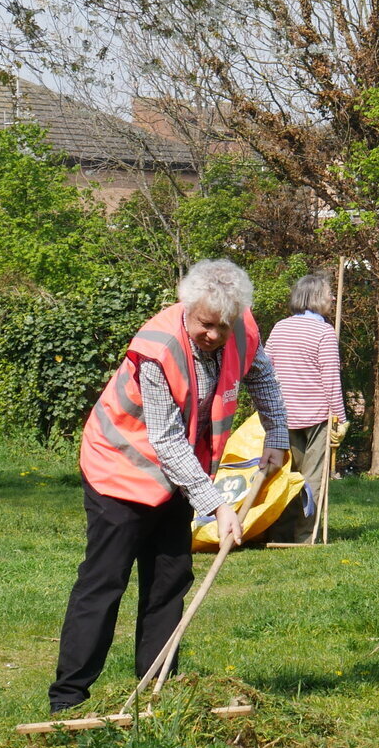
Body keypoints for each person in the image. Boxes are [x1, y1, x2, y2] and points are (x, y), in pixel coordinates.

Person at [48, 259, 290, 713]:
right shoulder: (157, 348)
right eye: (205, 324)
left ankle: (158, 687)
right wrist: (216, 505)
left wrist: (277, 438)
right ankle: (69, 699)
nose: (215, 335)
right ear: (187, 308)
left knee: (169, 579)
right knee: (105, 581)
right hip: (121, 467)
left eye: (223, 325)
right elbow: (165, 438)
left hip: (180, 476)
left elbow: (264, 380)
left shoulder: (242, 328)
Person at [264, 272, 347, 544]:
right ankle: (304, 535)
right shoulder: (324, 331)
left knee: (285, 476)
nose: (332, 298)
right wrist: (341, 419)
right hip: (316, 416)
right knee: (312, 479)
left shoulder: (279, 328)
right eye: (328, 294)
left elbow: (265, 371)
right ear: (314, 298)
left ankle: (278, 532)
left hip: (282, 415)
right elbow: (331, 379)